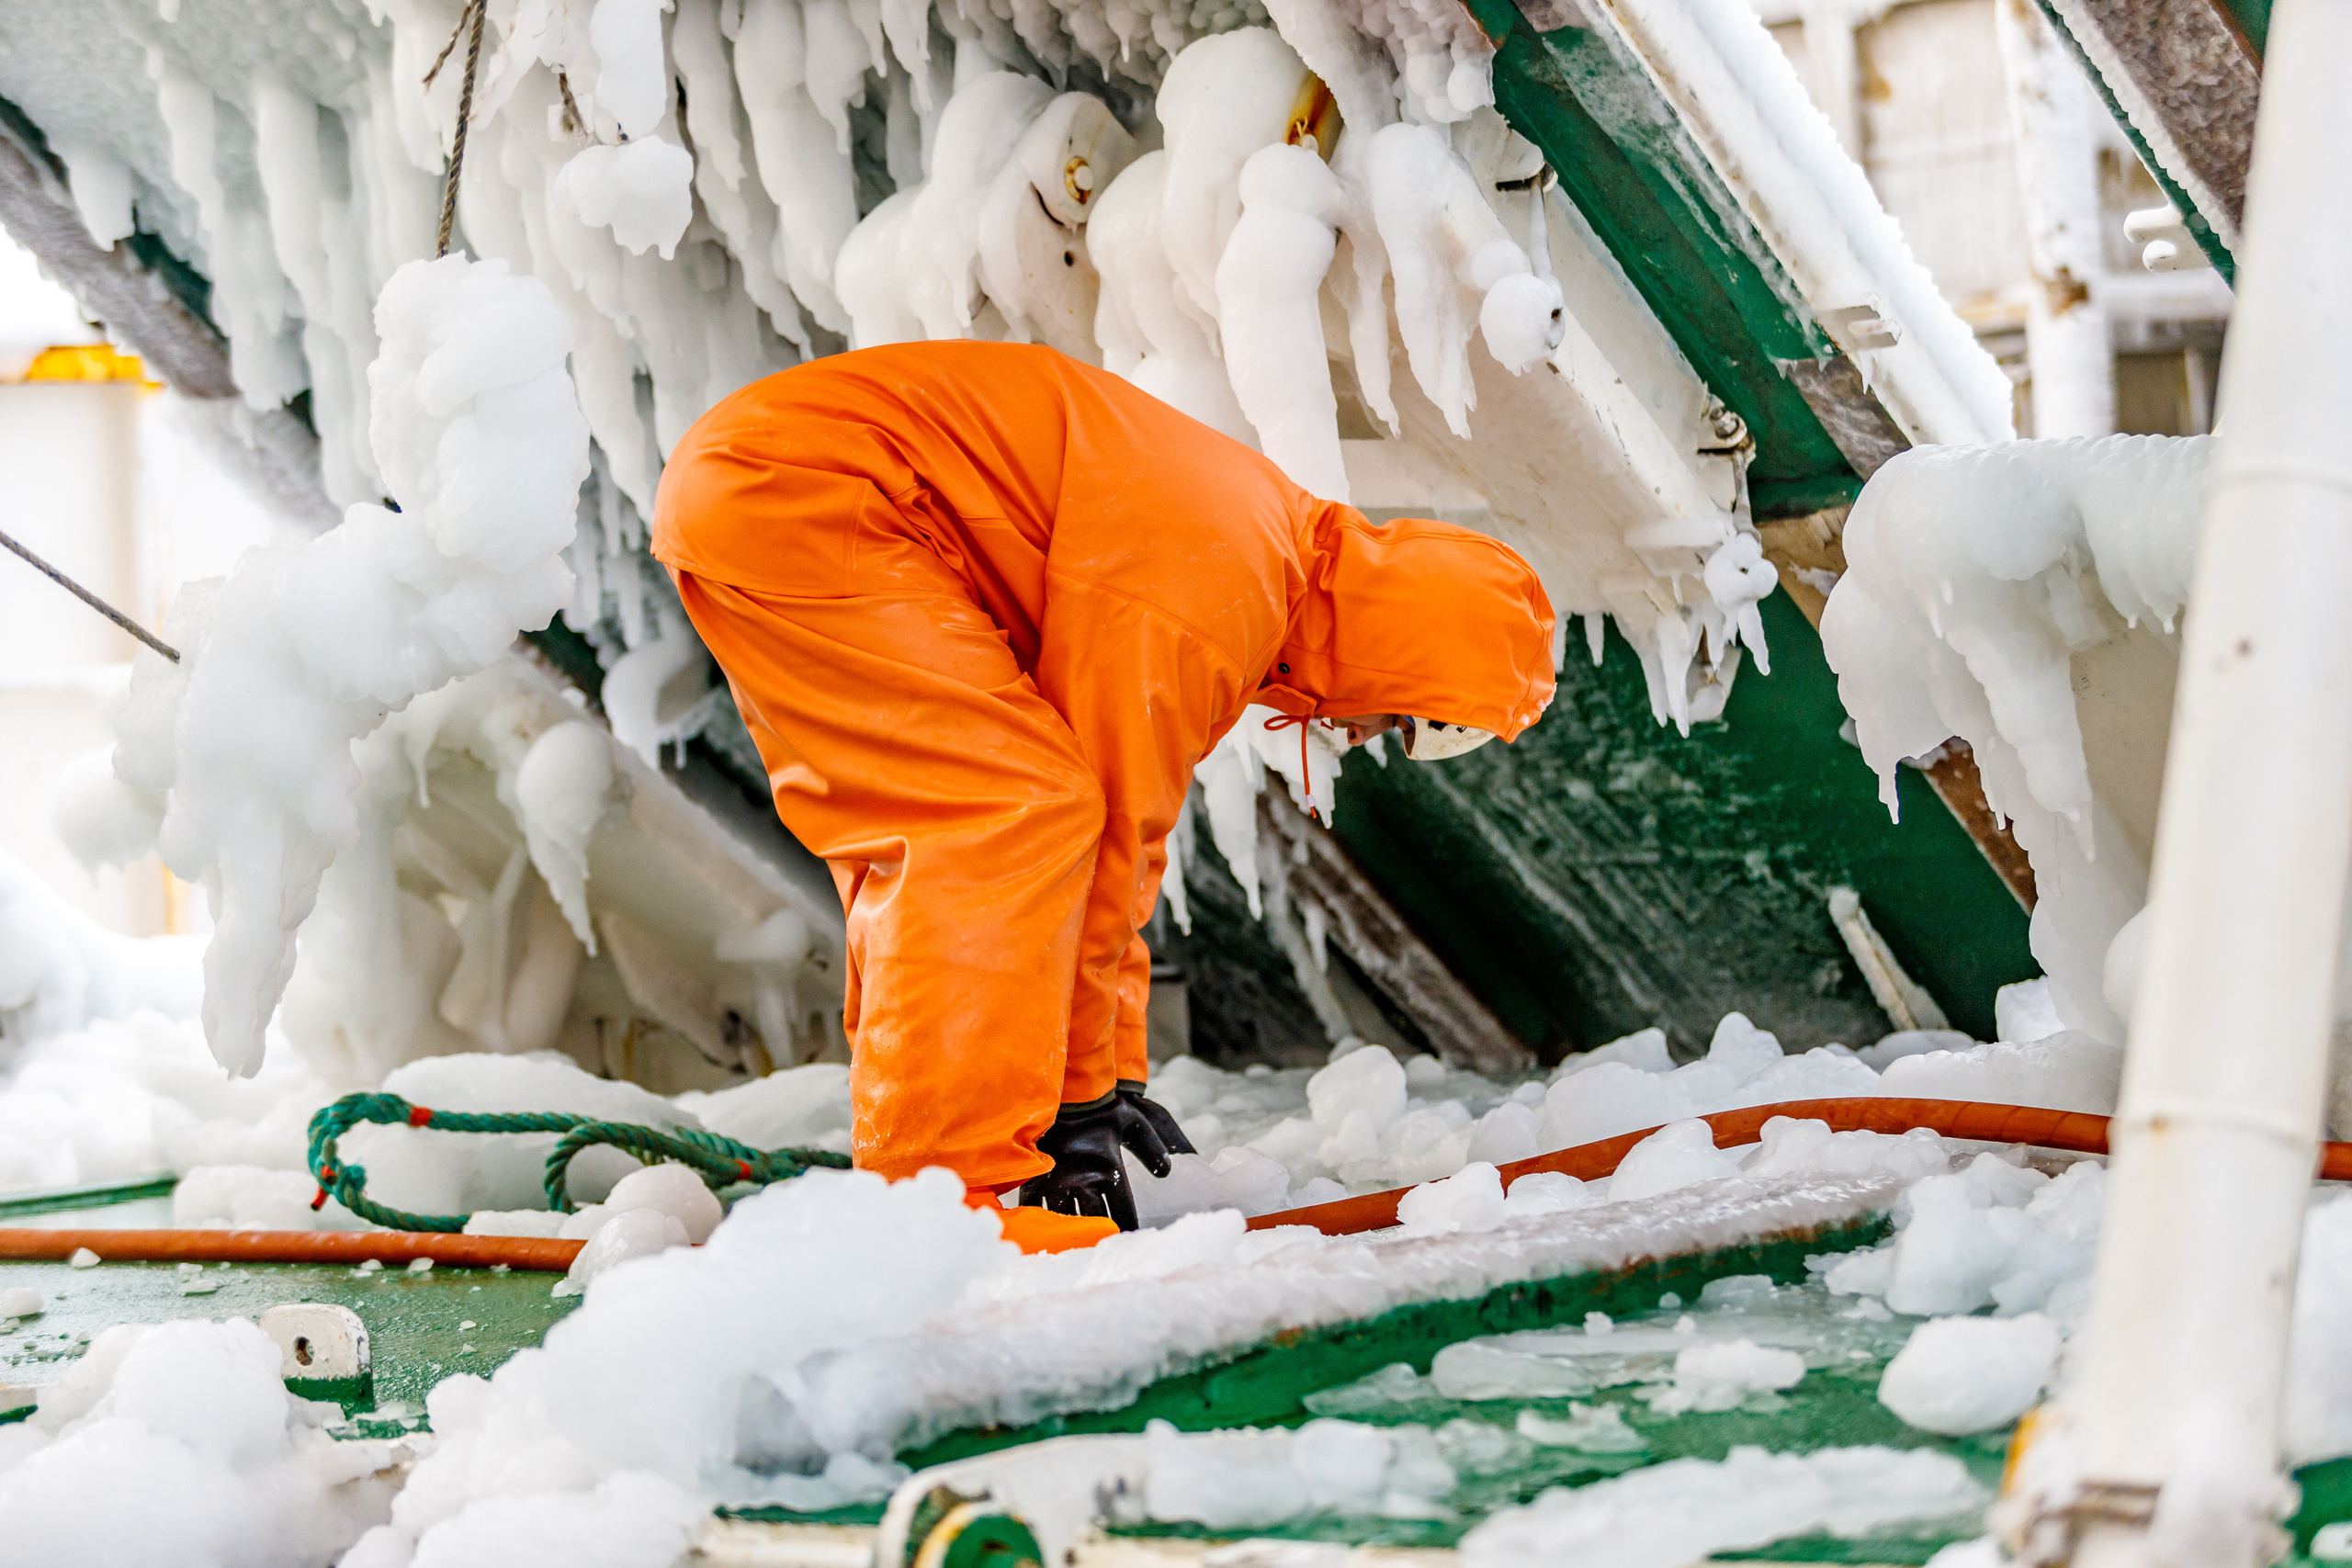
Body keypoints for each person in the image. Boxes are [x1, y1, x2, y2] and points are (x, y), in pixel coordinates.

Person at [652, 341, 1555, 1253]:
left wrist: (1103, 1081)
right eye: (1407, 725)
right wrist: (1079, 1095)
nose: (1366, 740)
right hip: (811, 490)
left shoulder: (1264, 549)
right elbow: (1116, 829)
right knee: (1006, 814)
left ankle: (942, 1178)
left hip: (787, 488)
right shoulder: (1226, 582)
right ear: (1414, 653)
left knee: (964, 821)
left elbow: (1109, 846)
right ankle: (944, 1203)